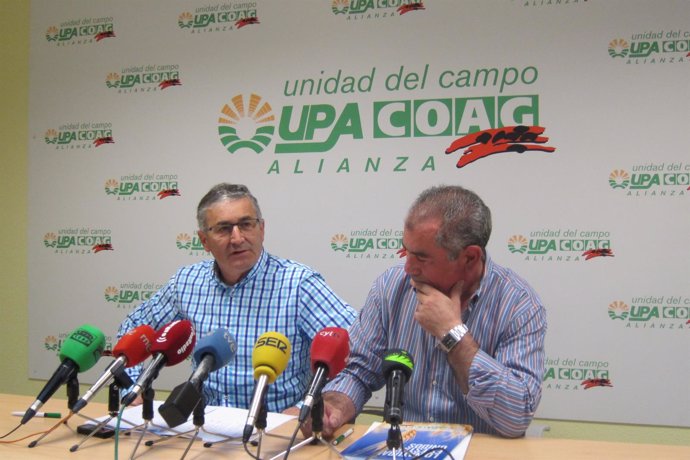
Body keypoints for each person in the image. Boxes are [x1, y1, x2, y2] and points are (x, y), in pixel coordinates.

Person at [319, 185, 547, 438]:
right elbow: (360, 373)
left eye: (421, 258)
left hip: (479, 452)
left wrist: (453, 335)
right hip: (403, 448)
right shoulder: (391, 287)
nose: (408, 268)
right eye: (406, 251)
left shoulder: (518, 304)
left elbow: (515, 418)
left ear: (470, 258)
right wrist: (335, 406)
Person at [117, 183, 356, 414]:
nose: (237, 238)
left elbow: (356, 349)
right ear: (204, 241)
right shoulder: (186, 281)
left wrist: (311, 406)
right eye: (223, 229)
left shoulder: (298, 283)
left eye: (246, 224)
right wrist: (133, 389)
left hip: (276, 428)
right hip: (204, 427)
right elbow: (134, 329)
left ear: (262, 229)